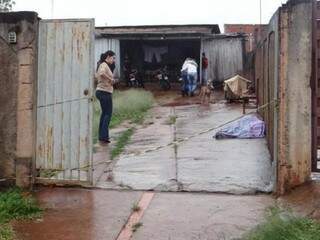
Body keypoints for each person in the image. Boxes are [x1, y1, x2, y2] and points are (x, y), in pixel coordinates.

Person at [95, 50, 116, 145]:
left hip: (102, 91)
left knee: (104, 114)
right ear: (108, 57)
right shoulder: (104, 64)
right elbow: (102, 73)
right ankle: (104, 137)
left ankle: (101, 136)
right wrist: (111, 79)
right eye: (113, 58)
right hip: (104, 92)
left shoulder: (103, 64)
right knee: (108, 113)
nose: (114, 60)